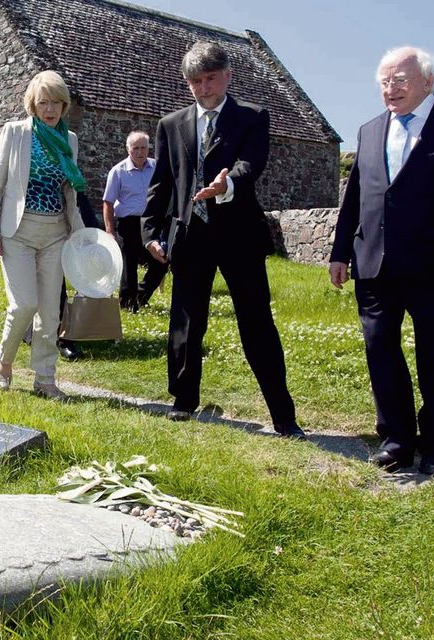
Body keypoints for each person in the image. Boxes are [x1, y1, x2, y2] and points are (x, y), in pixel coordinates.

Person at [329, 46, 434, 476]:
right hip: (374, 264)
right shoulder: (369, 131)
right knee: (379, 351)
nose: (391, 89)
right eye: (385, 82)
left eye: (400, 80)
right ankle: (396, 439)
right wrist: (339, 253)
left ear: (427, 81)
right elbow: (354, 198)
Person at [141, 42, 304, 438]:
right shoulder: (170, 124)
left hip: (239, 235)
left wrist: (227, 183)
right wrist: (149, 230)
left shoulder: (251, 117)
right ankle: (183, 400)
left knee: (256, 322)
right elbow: (161, 181)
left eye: (210, 78)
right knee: (185, 321)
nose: (203, 87)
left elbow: (252, 164)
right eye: (195, 81)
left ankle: (283, 415)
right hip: (189, 234)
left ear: (228, 76)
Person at [0, 70, 86, 400]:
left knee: (51, 313)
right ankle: (4, 362)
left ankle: (45, 379)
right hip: (18, 232)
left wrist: (80, 233)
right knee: (24, 305)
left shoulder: (70, 140)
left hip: (56, 232)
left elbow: (70, 191)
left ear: (65, 105)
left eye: (57, 102)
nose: (51, 109)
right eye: (44, 102)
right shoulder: (15, 133)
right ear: (33, 104)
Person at [103, 131, 166, 311]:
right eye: (136, 148)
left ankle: (141, 295)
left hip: (152, 222)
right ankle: (127, 303)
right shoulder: (118, 171)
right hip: (128, 223)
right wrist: (110, 231)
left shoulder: (157, 167)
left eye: (143, 148)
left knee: (161, 260)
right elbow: (108, 202)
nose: (140, 152)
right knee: (128, 264)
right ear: (128, 149)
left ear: (148, 148)